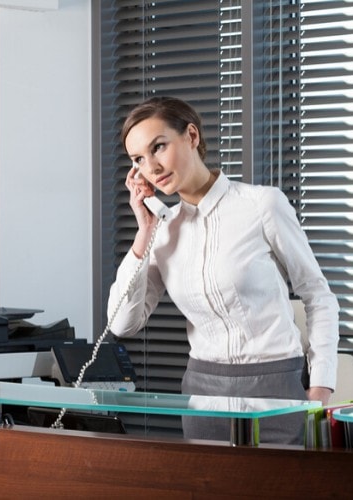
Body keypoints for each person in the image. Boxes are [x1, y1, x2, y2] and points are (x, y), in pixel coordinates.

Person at [107, 96, 339, 445]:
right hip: (203, 394)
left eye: (159, 147)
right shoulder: (163, 230)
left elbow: (318, 295)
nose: (151, 167)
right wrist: (144, 232)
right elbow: (123, 324)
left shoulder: (261, 204)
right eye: (139, 159)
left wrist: (320, 387)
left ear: (191, 136)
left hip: (276, 388)